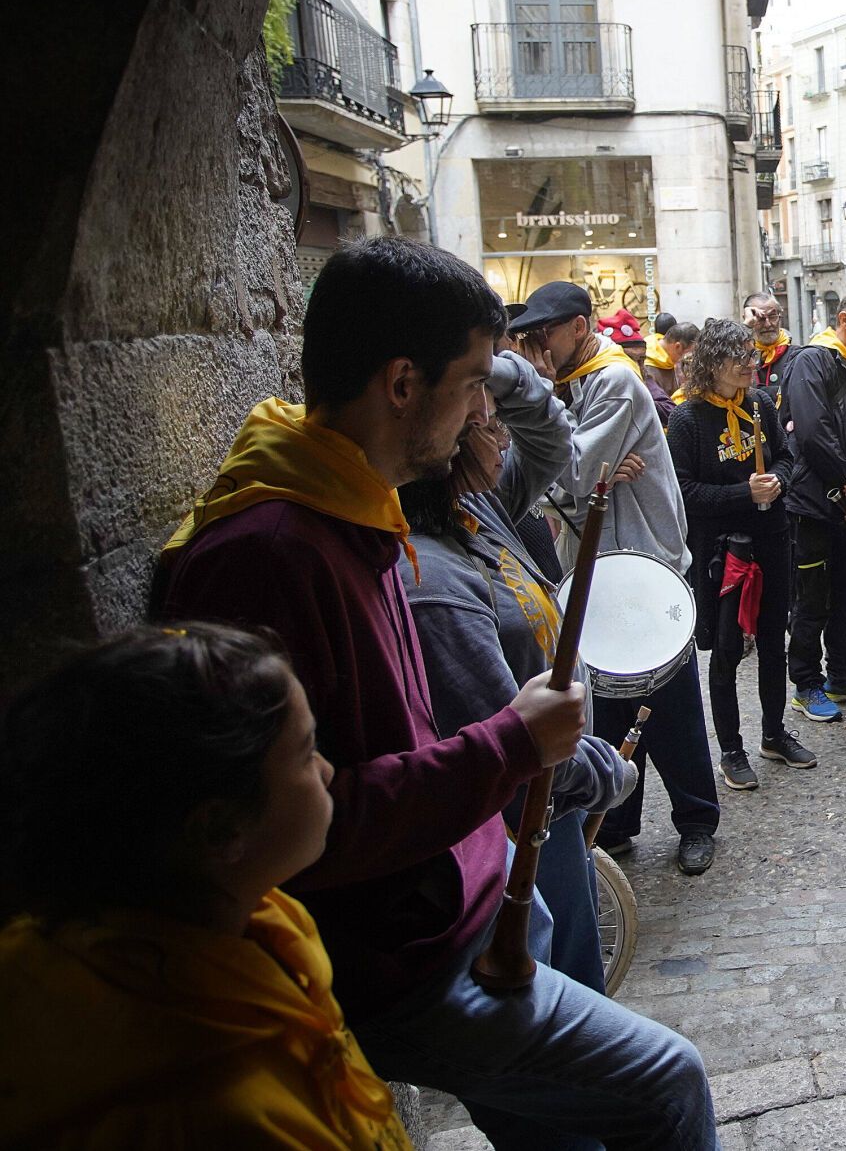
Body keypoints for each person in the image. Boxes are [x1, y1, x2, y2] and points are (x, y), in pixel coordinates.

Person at [154, 238, 718, 1148]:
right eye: (470, 382)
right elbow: (290, 826)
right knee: (668, 1082)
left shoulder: (354, 504)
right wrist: (513, 742)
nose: (480, 410)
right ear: (403, 383)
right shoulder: (268, 555)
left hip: (467, 901)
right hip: (407, 958)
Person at [0, 624, 413, 1150]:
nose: (329, 772)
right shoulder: (212, 1115)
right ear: (221, 829)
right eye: (307, 752)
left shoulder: (259, 915)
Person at [396, 349, 635, 992]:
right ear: (448, 446)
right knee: (559, 990)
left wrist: (479, 370)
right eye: (487, 426)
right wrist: (607, 774)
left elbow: (549, 431)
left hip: (553, 805)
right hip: (517, 817)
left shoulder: (476, 505)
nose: (504, 438)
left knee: (579, 969)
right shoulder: (432, 577)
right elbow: (511, 738)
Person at [511, 280, 721, 876]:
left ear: (577, 328)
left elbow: (570, 469)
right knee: (607, 701)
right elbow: (555, 477)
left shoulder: (612, 381)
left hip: (645, 564)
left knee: (670, 703)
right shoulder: (569, 384)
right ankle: (620, 821)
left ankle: (697, 821)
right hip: (598, 567)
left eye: (542, 334)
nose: (535, 348)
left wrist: (573, 471)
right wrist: (575, 474)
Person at [668, 318, 819, 791]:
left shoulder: (758, 404)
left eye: (752, 356)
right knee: (728, 650)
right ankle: (730, 749)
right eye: (740, 357)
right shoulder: (688, 419)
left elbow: (787, 456)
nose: (750, 365)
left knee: (775, 639)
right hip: (722, 550)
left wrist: (778, 480)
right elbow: (685, 491)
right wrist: (741, 494)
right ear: (713, 362)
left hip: (772, 538)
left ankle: (773, 733)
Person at [782, 289, 846, 722]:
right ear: (844, 319)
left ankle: (841, 674)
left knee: (845, 597)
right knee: (812, 602)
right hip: (813, 505)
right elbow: (812, 433)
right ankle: (806, 683)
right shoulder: (813, 360)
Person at [744, 291, 795, 407]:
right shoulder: (741, 356)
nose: (767, 324)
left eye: (772, 316)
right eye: (760, 318)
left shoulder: (797, 355)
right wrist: (746, 326)